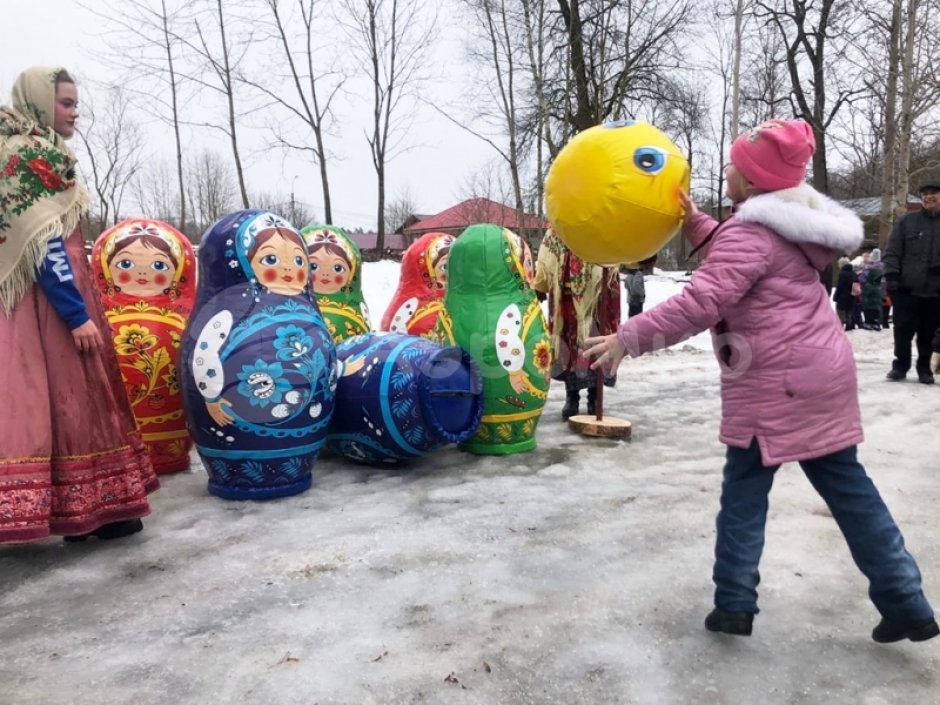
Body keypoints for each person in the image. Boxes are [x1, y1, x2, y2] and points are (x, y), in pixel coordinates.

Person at [584, 118, 938, 644]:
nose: (725, 170)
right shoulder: (785, 224)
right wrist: (697, 223)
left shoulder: (751, 232)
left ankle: (733, 603)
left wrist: (628, 338)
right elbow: (746, 258)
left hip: (778, 381)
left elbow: (705, 298)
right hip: (818, 372)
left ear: (750, 183)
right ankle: (906, 602)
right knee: (850, 490)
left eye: (732, 166)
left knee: (744, 492)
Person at [0, 67, 158, 544]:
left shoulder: (25, 151)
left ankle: (85, 505)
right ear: (38, 102)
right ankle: (99, 510)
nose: (75, 112)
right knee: (73, 399)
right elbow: (45, 243)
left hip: (41, 297)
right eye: (66, 103)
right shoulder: (29, 155)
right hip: (48, 302)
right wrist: (75, 314)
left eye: (75, 103)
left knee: (44, 402)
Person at [533, 230, 620, 419]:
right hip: (565, 299)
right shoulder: (559, 227)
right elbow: (546, 256)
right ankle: (571, 397)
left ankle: (594, 396)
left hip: (597, 296)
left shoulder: (601, 223)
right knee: (569, 351)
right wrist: (540, 285)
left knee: (596, 345)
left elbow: (618, 248)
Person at [883, 180, 940, 384]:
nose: (929, 197)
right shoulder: (907, 222)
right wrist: (891, 278)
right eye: (925, 193)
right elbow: (892, 252)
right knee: (902, 331)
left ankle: (924, 369)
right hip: (907, 290)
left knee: (928, 334)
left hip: (935, 293)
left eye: (933, 193)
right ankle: (900, 366)